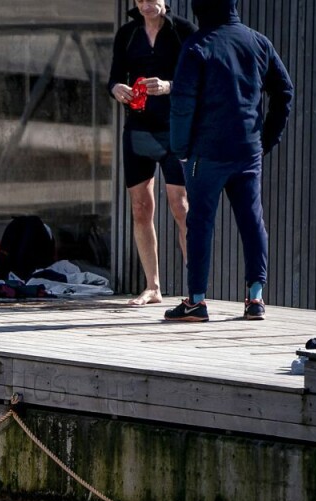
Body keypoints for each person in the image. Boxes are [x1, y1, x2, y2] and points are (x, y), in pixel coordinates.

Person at [164, 0, 293, 322]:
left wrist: (180, 149)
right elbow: (284, 92)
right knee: (252, 221)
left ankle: (195, 302)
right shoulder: (257, 41)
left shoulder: (197, 45)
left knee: (200, 225)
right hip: (247, 149)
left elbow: (182, 103)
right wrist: (266, 140)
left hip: (206, 153)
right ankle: (255, 300)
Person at [108, 0, 196, 306]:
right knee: (140, 207)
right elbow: (114, 76)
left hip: (175, 130)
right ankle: (153, 287)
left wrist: (169, 86)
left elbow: (202, 78)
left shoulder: (183, 31)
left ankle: (195, 289)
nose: (146, 4)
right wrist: (117, 88)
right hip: (139, 128)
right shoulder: (128, 33)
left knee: (181, 206)